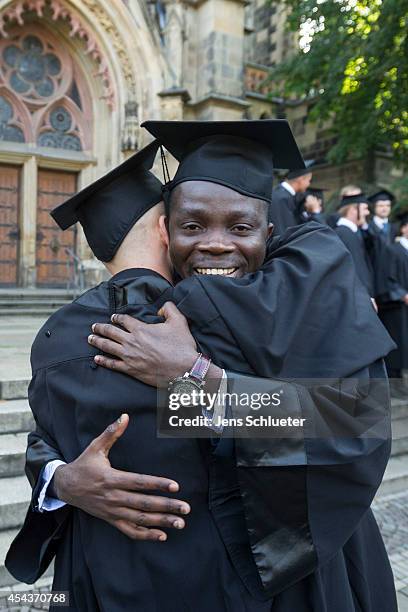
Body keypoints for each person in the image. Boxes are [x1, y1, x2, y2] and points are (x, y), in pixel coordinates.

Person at [7, 120, 397, 612]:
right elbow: (60, 430)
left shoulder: (294, 310)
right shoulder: (144, 325)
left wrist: (196, 377)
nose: (216, 244)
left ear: (270, 233)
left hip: (289, 572)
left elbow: (356, 422)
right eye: (192, 226)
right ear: (164, 232)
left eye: (240, 227)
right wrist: (61, 479)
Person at [377, 212, 408, 395]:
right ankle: (395, 384)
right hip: (397, 306)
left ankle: (402, 382)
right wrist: (403, 294)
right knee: (399, 344)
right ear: (404, 228)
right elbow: (387, 278)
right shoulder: (392, 249)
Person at [334, 193, 375, 299]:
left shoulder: (348, 232)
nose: (368, 212)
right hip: (357, 298)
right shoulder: (345, 234)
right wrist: (367, 296)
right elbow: (357, 268)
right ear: (353, 209)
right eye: (365, 208)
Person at [270, 161, 314, 233]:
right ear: (301, 179)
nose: (309, 184)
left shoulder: (284, 194)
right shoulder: (281, 198)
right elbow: (282, 231)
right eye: (309, 180)